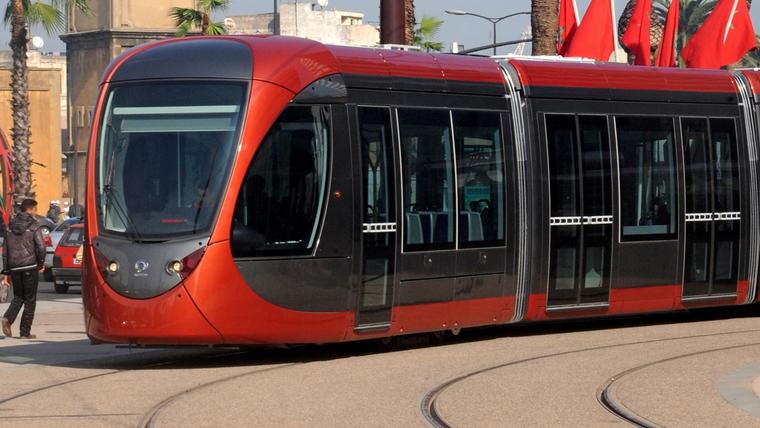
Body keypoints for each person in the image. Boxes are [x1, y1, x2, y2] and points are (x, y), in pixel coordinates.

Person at [1, 199, 46, 339]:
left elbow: (5, 250)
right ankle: (25, 332)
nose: (36, 212)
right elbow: (41, 247)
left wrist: (7, 269)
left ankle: (8, 318)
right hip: (30, 266)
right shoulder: (34, 225)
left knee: (18, 296)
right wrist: (40, 263)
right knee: (30, 299)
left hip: (14, 267)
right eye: (35, 209)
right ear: (30, 209)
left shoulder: (10, 226)